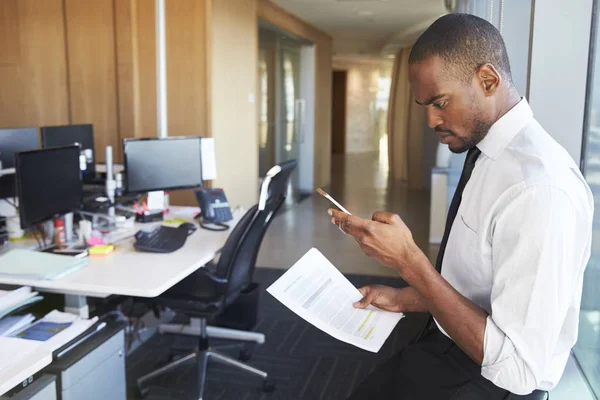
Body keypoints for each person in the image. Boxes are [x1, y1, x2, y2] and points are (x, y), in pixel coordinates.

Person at [329, 13, 594, 400]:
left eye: (439, 102)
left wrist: (410, 261)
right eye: (424, 105)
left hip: (490, 381)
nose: (431, 120)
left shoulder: (540, 189)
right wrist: (404, 297)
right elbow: (478, 289)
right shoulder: (487, 154)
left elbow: (517, 369)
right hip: (449, 344)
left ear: (488, 80)